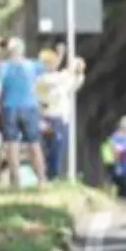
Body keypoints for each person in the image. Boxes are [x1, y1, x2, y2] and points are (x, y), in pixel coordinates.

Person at [0, 39, 47, 188]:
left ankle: (15, 181)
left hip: (9, 107)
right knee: (34, 143)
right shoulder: (32, 66)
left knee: (12, 144)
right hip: (30, 107)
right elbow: (51, 67)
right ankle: (42, 179)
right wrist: (61, 54)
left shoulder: (3, 67)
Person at [37, 47, 84, 181]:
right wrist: (70, 68)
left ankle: (53, 175)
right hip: (48, 118)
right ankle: (47, 175)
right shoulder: (41, 79)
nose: (53, 64)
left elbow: (72, 85)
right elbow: (58, 80)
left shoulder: (58, 78)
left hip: (60, 119)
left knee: (58, 148)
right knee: (50, 147)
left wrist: (78, 73)